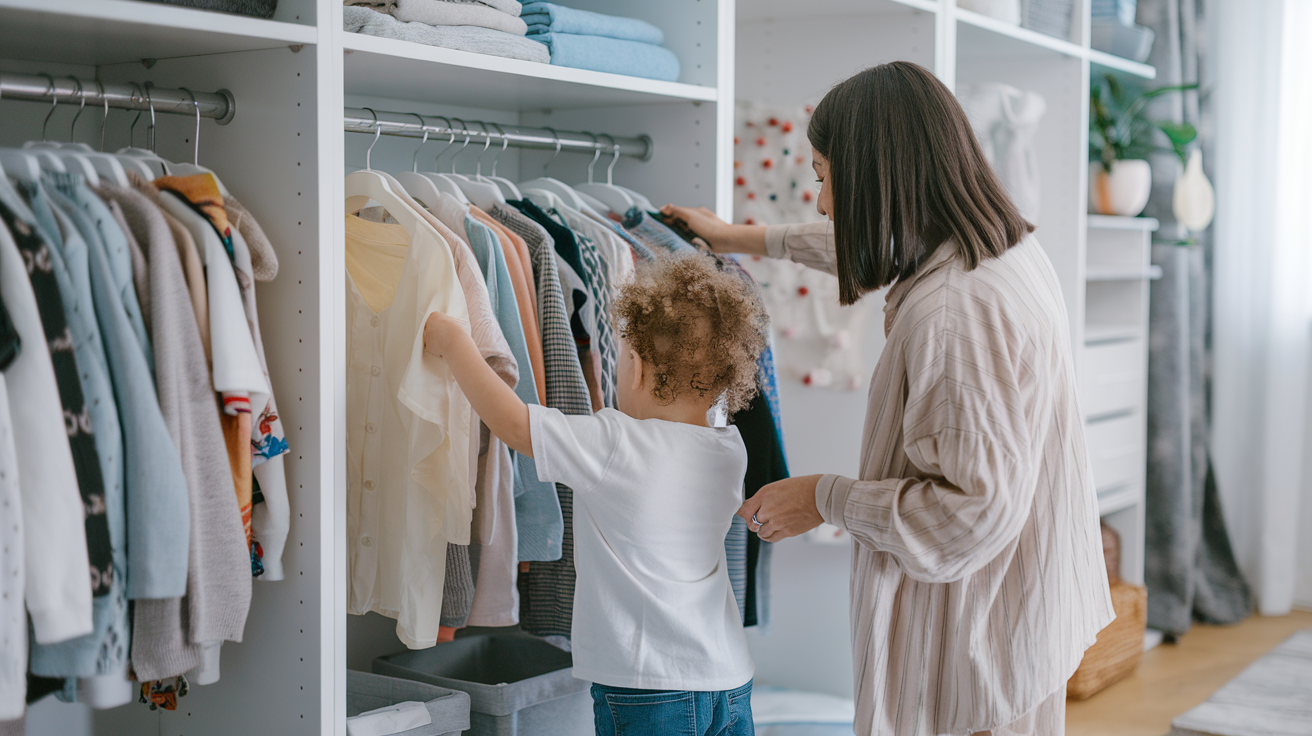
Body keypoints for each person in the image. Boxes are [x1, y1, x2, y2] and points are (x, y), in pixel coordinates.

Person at [662, 61, 1114, 736]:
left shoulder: (955, 312)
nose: (820, 202)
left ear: (876, 178)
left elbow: (973, 512)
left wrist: (823, 496)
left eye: (823, 177)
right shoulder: (997, 245)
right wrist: (743, 239)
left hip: (976, 638)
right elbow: (859, 242)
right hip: (1016, 610)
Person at [424, 253, 768, 736]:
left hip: (649, 684)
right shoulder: (728, 450)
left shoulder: (614, 443)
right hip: (729, 676)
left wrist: (456, 343)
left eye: (622, 357)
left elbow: (513, 424)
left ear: (640, 369)